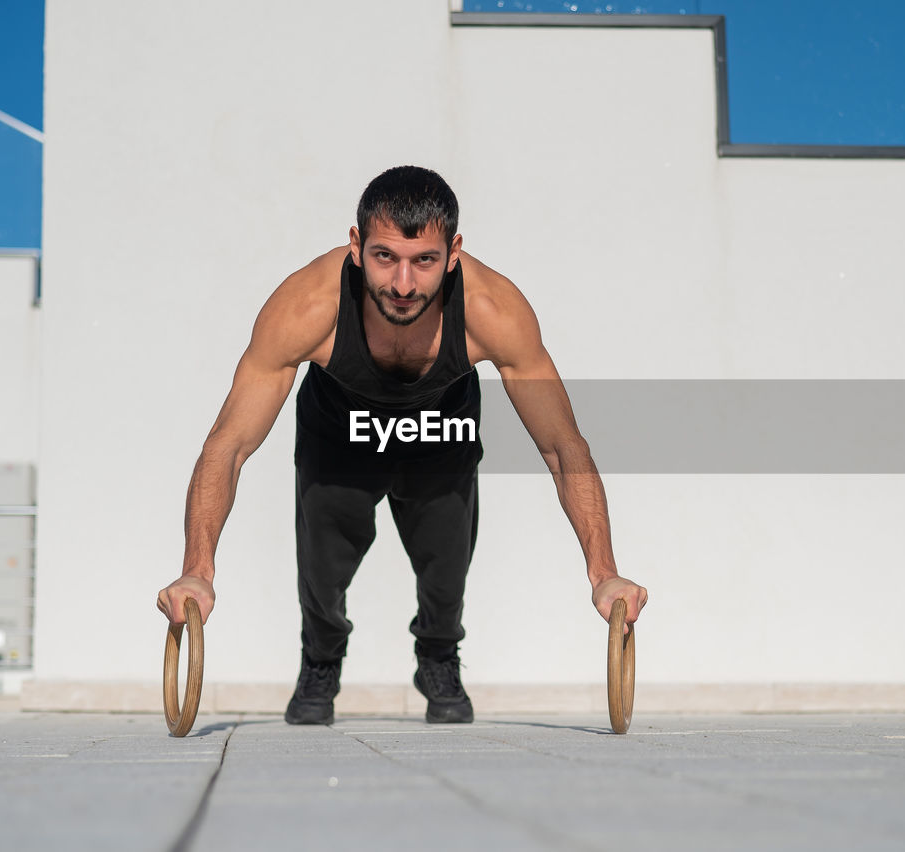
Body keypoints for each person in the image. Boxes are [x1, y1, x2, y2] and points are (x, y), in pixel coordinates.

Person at [157, 166, 647, 725]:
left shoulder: (493, 313)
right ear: (356, 246)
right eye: (385, 257)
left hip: (440, 437)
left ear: (454, 252)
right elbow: (229, 445)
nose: (404, 285)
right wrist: (198, 568)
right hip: (339, 436)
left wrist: (603, 570)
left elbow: (563, 447)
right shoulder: (307, 307)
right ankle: (320, 659)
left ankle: (438, 657)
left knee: (447, 568)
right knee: (321, 567)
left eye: (425, 261)